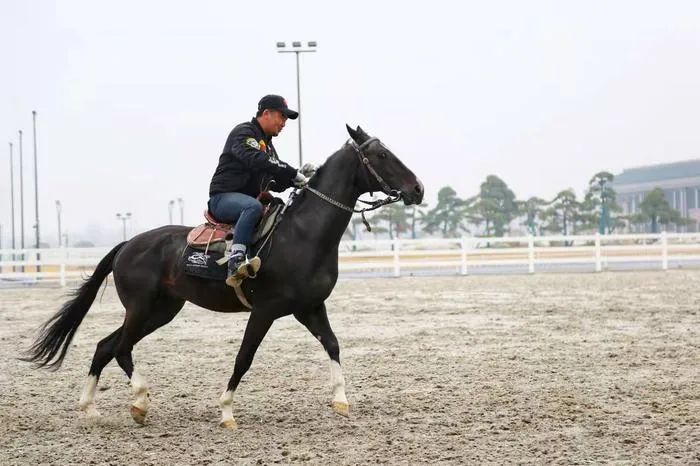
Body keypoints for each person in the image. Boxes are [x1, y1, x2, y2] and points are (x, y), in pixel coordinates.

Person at [208, 94, 309, 287]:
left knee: (277, 208)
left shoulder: (267, 145)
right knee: (253, 207)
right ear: (266, 114)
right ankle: (236, 261)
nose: (284, 123)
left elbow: (276, 181)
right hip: (222, 199)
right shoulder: (244, 132)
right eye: (282, 117)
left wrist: (299, 179)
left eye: (286, 119)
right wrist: (292, 173)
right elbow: (256, 159)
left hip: (245, 200)